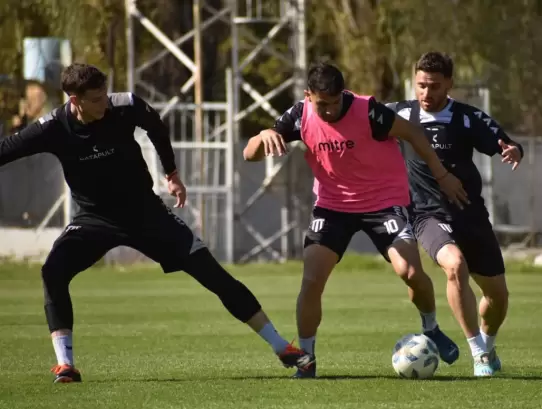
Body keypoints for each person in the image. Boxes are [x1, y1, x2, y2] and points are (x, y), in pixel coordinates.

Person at [0, 63, 312, 383]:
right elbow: (8, 149)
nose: (104, 102)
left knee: (212, 274)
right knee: (53, 271)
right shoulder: (52, 127)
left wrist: (171, 173)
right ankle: (66, 365)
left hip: (146, 213)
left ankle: (281, 347)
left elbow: (156, 127)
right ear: (74, 100)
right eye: (96, 99)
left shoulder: (125, 106)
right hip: (94, 219)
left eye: (105, 94)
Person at [243, 62, 468, 378]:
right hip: (333, 207)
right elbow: (249, 154)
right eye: (323, 104)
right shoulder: (299, 115)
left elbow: (413, 134)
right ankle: (307, 360)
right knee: (311, 279)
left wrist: (441, 175)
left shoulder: (368, 112)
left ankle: (430, 329)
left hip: (384, 203)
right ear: (308, 96)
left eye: (336, 103)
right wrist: (263, 134)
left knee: (411, 271)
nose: (331, 111)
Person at [386, 51, 524, 377]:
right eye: (421, 85)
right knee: (454, 265)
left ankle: (488, 346)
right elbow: (356, 116)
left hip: (471, 215)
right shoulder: (400, 114)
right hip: (427, 214)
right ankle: (477, 352)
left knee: (497, 297)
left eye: (434, 86)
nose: (426, 93)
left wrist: (513, 148)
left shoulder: (467, 117)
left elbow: (503, 140)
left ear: (449, 83)